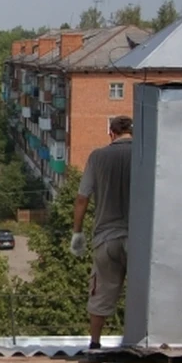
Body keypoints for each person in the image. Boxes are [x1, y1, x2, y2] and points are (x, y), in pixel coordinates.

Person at [69, 115, 133, 350]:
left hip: (106, 238)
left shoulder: (98, 157)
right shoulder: (145, 154)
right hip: (140, 239)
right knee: (143, 292)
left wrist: (77, 232)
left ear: (111, 133)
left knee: (101, 290)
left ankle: (95, 343)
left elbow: (81, 198)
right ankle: (141, 340)